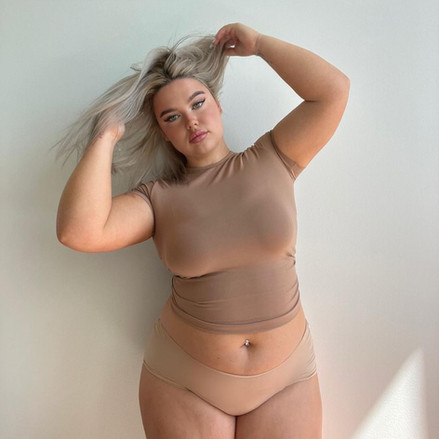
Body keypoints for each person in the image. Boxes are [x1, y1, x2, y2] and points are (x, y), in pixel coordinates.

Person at [56, 22, 349, 439]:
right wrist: (107, 134)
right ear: (164, 133)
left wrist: (260, 45)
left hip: (286, 380)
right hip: (187, 379)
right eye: (172, 117)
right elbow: (79, 231)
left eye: (198, 103)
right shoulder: (158, 198)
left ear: (218, 104)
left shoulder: (274, 157)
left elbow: (333, 91)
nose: (191, 121)